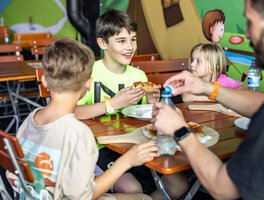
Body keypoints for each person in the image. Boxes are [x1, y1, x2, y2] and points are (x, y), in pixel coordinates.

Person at [152, 0, 264, 199]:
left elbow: (223, 187)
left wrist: (181, 131)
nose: (247, 34)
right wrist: (208, 88)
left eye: (250, 23)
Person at [7, 39, 156, 199]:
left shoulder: (33, 117)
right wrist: (126, 161)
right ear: (89, 83)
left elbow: (14, 173)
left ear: (44, 81)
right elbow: (84, 196)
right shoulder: (78, 133)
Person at [74, 8, 189, 199]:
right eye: (121, 41)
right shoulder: (89, 73)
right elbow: (73, 112)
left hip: (137, 142)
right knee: (131, 189)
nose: (130, 47)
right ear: (102, 43)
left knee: (179, 185)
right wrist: (111, 104)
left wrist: (154, 104)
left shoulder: (138, 76)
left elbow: (144, 118)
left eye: (133, 39)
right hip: (100, 148)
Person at [177, 43, 246, 103]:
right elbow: (186, 97)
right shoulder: (192, 79)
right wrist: (218, 98)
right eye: (192, 60)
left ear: (212, 68)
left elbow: (245, 86)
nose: (192, 64)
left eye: (198, 61)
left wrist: (232, 95)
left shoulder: (223, 80)